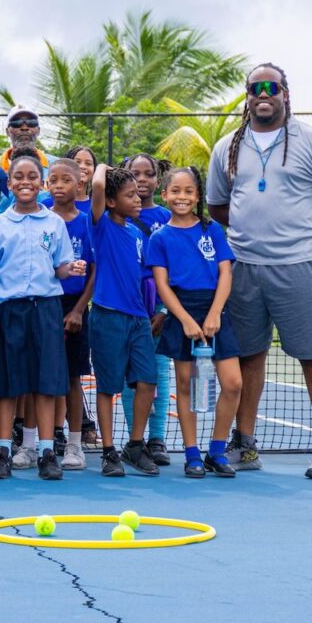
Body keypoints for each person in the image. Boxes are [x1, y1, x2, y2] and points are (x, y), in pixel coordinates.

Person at [206, 63, 312, 479]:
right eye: (256, 88)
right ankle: (245, 445)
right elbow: (218, 206)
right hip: (244, 268)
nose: (263, 93)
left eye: (272, 86)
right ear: (247, 96)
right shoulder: (227, 148)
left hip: (300, 266)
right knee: (249, 355)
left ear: (286, 93)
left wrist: (306, 235)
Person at [0, 151, 85, 480]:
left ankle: (45, 451)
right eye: (18, 177)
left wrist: (71, 269)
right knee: (6, 384)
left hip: (46, 310)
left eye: (31, 177)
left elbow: (59, 266)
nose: (25, 182)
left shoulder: (54, 223)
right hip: (9, 310)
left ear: (40, 183)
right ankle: (2, 451)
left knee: (45, 383)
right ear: (9, 184)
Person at [147, 166, 241, 478]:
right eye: (175, 191)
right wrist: (184, 319)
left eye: (188, 191)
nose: (182, 197)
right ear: (165, 195)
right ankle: (192, 454)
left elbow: (226, 272)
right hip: (181, 313)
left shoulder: (211, 229)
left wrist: (215, 314)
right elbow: (162, 285)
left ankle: (216, 450)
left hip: (215, 310)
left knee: (232, 383)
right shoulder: (159, 238)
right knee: (185, 385)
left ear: (198, 196)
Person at [89, 163, 161, 477]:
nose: (137, 199)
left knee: (147, 382)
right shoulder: (101, 225)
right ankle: (108, 451)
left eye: (138, 194)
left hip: (139, 320)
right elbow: (98, 187)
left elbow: (148, 277)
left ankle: (134, 445)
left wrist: (159, 310)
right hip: (107, 318)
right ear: (112, 201)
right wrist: (106, 166)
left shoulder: (137, 233)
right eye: (129, 195)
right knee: (107, 388)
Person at [118, 152, 173, 466]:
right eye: (134, 173)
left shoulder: (167, 217)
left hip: (160, 312)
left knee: (159, 376)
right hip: (128, 310)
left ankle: (157, 439)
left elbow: (174, 266)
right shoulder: (117, 217)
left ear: (158, 179)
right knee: (131, 378)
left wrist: (165, 310)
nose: (141, 179)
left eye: (148, 173)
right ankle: (133, 439)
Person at [45, 159, 96, 471]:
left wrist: (79, 310)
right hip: (44, 306)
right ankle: (43, 443)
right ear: (46, 185)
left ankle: (75, 445)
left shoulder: (88, 222)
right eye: (54, 179)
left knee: (71, 379)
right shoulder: (40, 219)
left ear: (80, 185)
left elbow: (94, 271)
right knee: (43, 378)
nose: (60, 185)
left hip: (75, 308)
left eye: (67, 180)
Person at [0, 106, 58, 211]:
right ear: (7, 131)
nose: (24, 128)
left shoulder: (57, 166)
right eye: (16, 123)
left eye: (31, 123)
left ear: (38, 130)